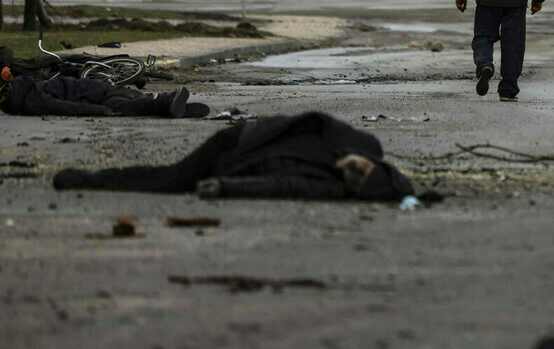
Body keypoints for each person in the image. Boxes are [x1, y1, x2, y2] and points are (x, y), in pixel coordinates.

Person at [51, 112, 415, 201]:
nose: (352, 171)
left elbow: (279, 186)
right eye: (363, 169)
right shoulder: (359, 142)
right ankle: (86, 179)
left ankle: (88, 179)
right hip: (239, 140)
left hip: (235, 162)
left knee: (171, 181)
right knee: (171, 181)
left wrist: (226, 187)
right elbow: (317, 118)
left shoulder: (332, 186)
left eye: (356, 180)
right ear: (371, 161)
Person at [1, 64, 204, 118]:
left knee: (132, 107)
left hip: (96, 98)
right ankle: (175, 107)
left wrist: (98, 111)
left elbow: (66, 107)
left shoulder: (33, 100)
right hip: (100, 86)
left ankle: (166, 102)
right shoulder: (36, 84)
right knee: (137, 98)